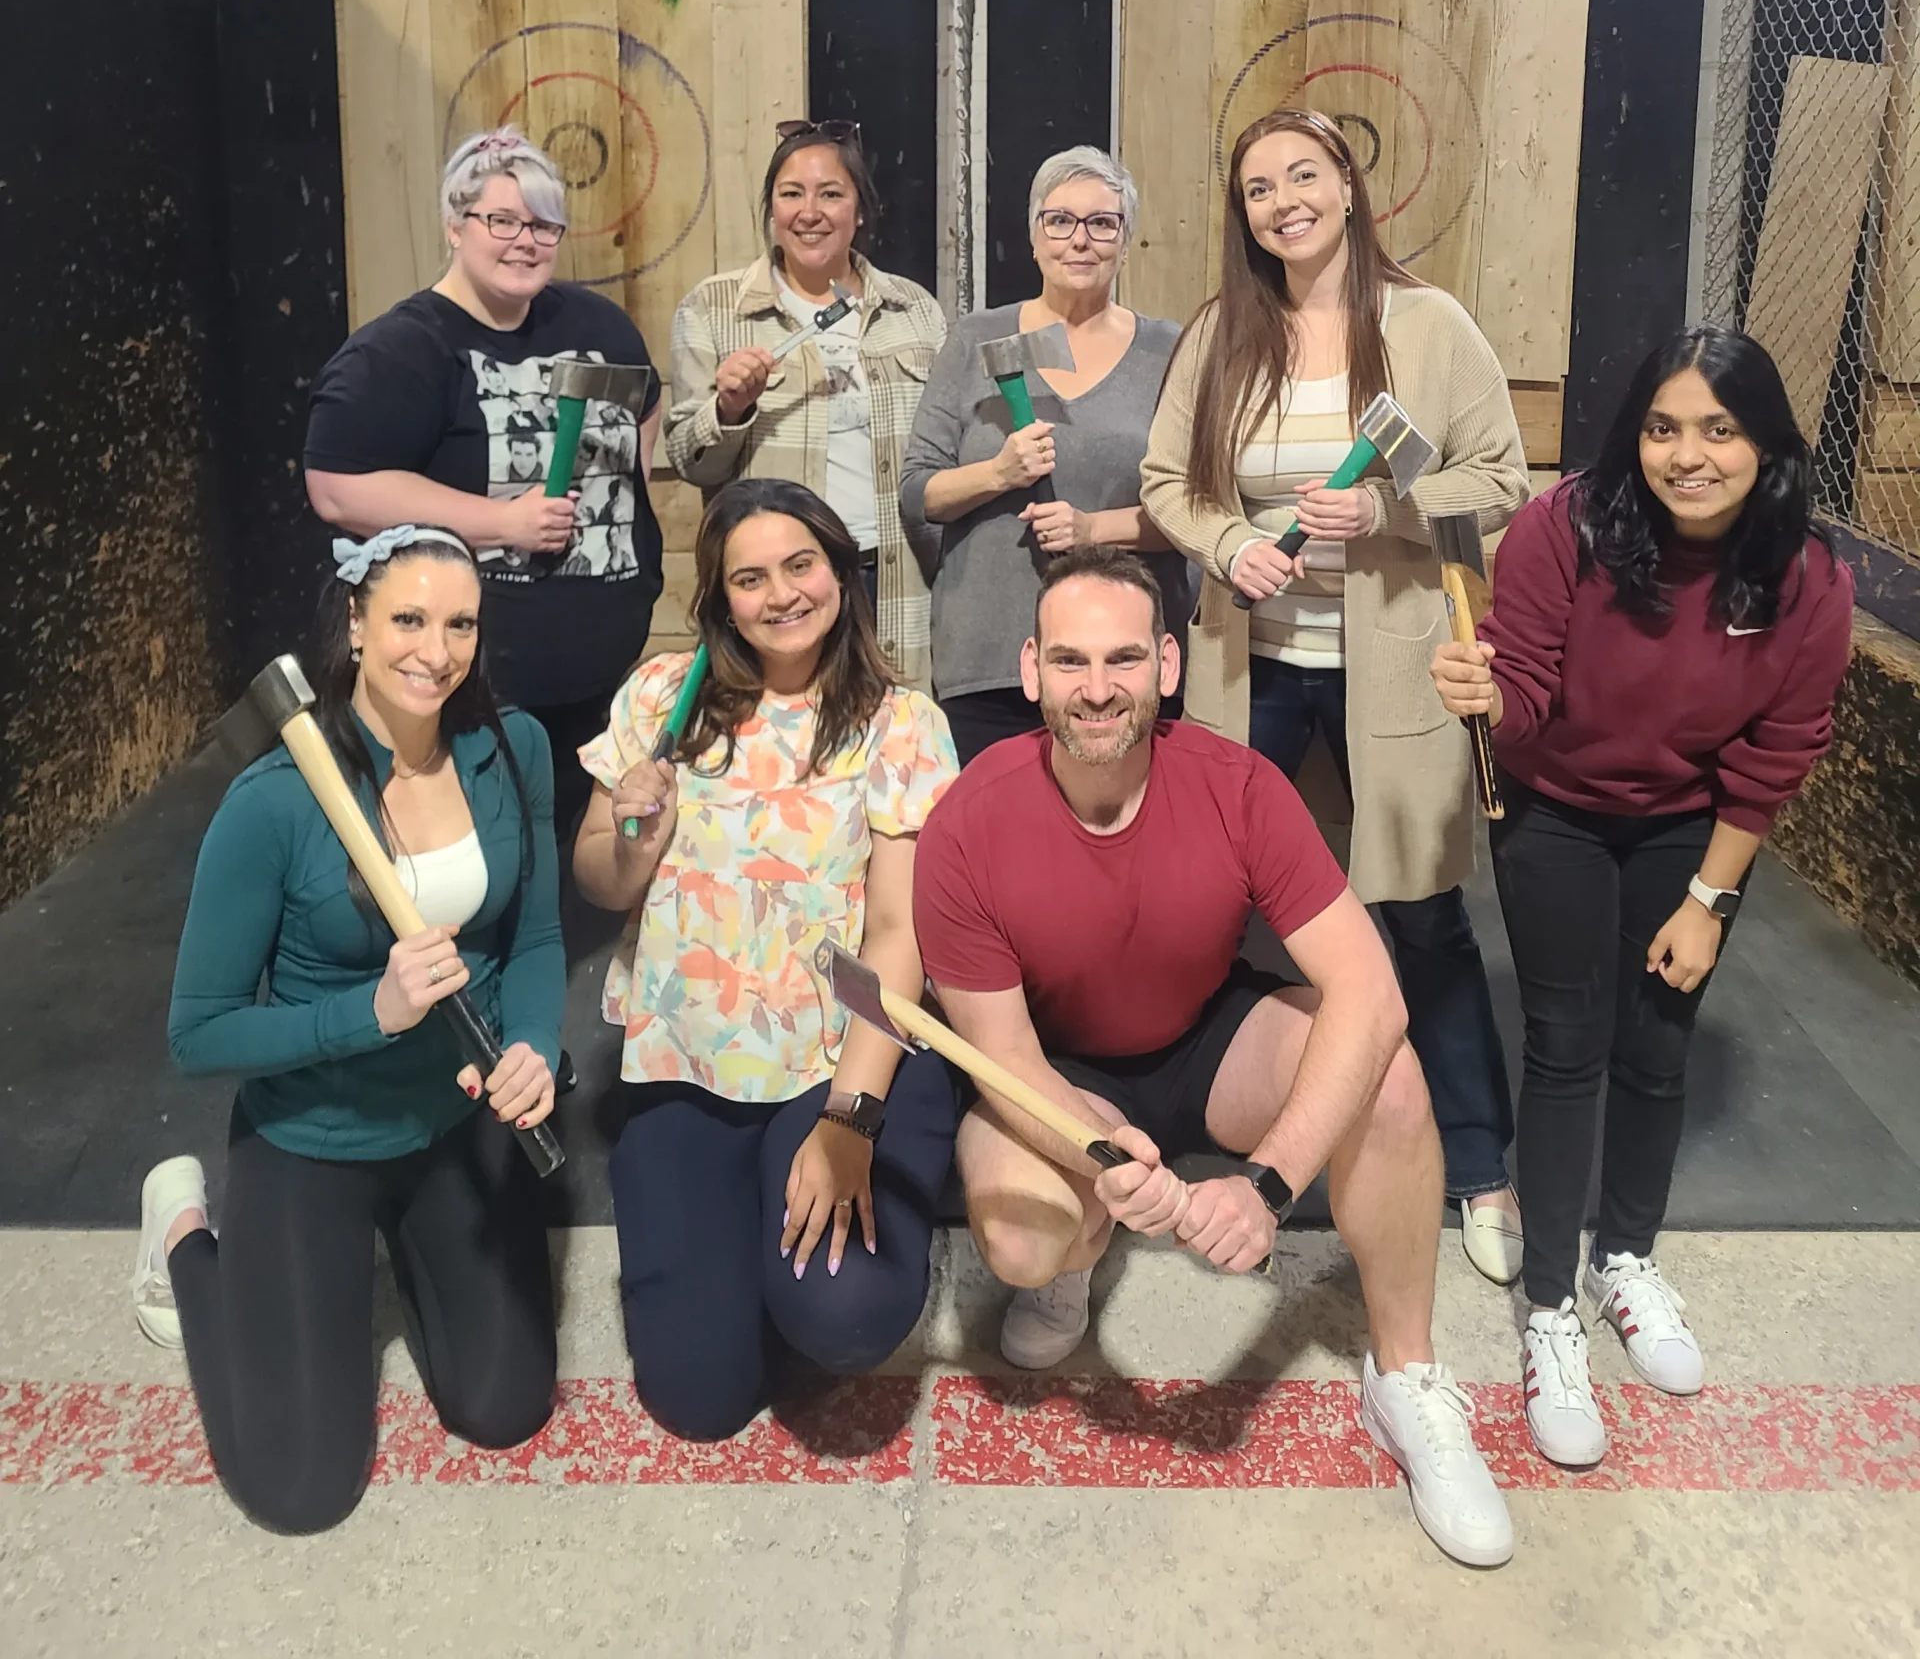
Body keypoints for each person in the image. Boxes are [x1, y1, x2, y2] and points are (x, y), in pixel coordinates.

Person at [914, 549, 1513, 1568]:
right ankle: (1080, 1253)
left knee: (1395, 1080)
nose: (1096, 687)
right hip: (1061, 1074)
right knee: (1024, 1245)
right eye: (1069, 660)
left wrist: (1268, 1183)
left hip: (1209, 1039)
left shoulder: (1239, 785)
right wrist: (1102, 1153)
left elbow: (1369, 988)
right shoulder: (967, 821)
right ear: (1029, 671)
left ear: (1168, 665)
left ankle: (1405, 1378)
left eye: (1121, 659)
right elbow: (1001, 1057)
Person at [1430, 326, 1853, 1469]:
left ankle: (1627, 1258)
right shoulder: (1561, 526)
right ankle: (1552, 1306)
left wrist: (1710, 902)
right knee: (1568, 1044)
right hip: (1556, 810)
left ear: (1765, 443)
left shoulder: (1808, 575)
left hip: (1692, 821)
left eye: (1719, 429)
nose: (1689, 454)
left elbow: (1781, 748)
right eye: (1664, 427)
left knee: (1658, 1042)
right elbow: (1523, 692)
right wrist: (1485, 692)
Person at [1140, 107, 1529, 1285]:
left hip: (1389, 669)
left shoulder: (1427, 325)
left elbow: (1502, 475)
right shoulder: (1224, 329)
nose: (1282, 201)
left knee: (1418, 910)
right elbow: (1167, 480)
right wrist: (1224, 545)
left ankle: (1478, 1159)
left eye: (1303, 176)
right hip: (1247, 661)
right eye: (1258, 187)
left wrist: (1390, 509)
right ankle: (1238, 1121)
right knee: (1218, 904)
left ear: (1349, 188)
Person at [131, 526, 563, 1534]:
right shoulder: (274, 798)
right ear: (357, 623)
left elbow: (535, 937)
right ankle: (186, 1236)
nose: (436, 649)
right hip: (312, 1137)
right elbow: (198, 1035)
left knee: (503, 1411)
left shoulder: (512, 749)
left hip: (455, 1129)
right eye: (408, 618)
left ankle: (413, 1256)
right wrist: (368, 1012)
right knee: (299, 1490)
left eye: (460, 623)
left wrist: (536, 1041)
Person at [572, 477, 959, 1441]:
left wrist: (848, 1121)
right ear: (719, 597)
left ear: (840, 572)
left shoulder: (900, 721)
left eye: (801, 565)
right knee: (695, 1401)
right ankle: (740, 1245)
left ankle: (801, 1259)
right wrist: (633, 831)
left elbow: (900, 936)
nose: (781, 594)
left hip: (831, 1060)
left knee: (843, 1316)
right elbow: (600, 884)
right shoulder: (662, 698)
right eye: (750, 578)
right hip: (688, 1062)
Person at [305, 127, 664, 846]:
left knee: (577, 871)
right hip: (473, 690)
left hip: (601, 676)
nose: (523, 241)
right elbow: (336, 487)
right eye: (501, 221)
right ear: (454, 224)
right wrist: (500, 522)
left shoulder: (596, 323)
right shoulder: (405, 349)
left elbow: (645, 407)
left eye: (542, 224)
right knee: (489, 861)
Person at [900, 145, 1196, 763]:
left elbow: (1198, 512)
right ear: (1034, 237)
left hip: (1120, 663)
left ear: (1125, 237)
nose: (1079, 240)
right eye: (1059, 220)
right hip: (988, 655)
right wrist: (997, 473)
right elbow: (918, 494)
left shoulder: (1172, 351)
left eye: (1102, 223)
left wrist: (1096, 531)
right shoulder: (977, 338)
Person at [665, 119, 946, 689]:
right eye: (791, 194)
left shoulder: (913, 309)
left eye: (831, 194)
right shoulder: (715, 308)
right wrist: (729, 410)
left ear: (860, 211)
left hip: (891, 582)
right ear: (772, 209)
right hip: (779, 592)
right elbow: (688, 459)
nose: (809, 212)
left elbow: (944, 449)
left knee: (891, 748)